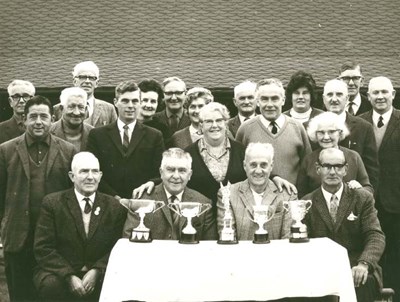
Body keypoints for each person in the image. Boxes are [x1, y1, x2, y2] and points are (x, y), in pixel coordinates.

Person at [134, 103, 296, 215]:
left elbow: (256, 169)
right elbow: (176, 175)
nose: (214, 125)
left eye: (219, 120)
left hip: (236, 220)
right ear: (200, 125)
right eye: (208, 121)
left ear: (225, 123)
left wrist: (275, 177)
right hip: (200, 220)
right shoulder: (188, 153)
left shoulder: (241, 151)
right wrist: (153, 182)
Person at [0, 96, 76, 301]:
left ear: (52, 118)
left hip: (55, 238)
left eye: (44, 116)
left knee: (52, 292)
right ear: (24, 119)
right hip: (18, 237)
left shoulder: (68, 150)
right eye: (33, 116)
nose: (38, 121)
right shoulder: (6, 150)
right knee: (19, 294)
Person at [33, 152, 126, 301]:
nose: (90, 177)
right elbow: (43, 247)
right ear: (71, 176)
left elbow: (118, 247)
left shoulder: (114, 206)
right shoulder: (53, 203)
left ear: (100, 175)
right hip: (60, 272)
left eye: (95, 171)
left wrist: (97, 270)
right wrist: (68, 276)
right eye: (84, 171)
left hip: (100, 271)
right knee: (51, 285)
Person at [303, 148, 385, 302]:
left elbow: (375, 235)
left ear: (345, 169)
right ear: (318, 169)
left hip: (356, 266)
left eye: (338, 166)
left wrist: (364, 264)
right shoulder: (308, 202)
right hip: (322, 268)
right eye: (327, 166)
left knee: (363, 282)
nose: (332, 172)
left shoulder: (362, 198)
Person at [86, 80, 165, 199]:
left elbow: (160, 171)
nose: (130, 106)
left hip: (142, 200)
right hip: (107, 201)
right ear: (115, 102)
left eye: (135, 101)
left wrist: (151, 184)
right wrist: (114, 197)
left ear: (139, 103)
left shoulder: (154, 136)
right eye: (125, 101)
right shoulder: (97, 135)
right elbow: (92, 171)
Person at [359, 76, 400, 301]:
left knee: (395, 254)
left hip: (396, 203)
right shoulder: (360, 122)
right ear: (368, 96)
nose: (380, 96)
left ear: (393, 94)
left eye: (385, 92)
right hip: (368, 201)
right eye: (375, 93)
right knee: (371, 251)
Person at [123, 148, 217, 240]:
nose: (176, 176)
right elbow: (128, 239)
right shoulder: (142, 200)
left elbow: (209, 245)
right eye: (171, 170)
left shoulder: (203, 202)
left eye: (182, 170)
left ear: (190, 175)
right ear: (161, 172)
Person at [236, 78, 312, 184]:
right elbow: (239, 168)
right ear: (257, 101)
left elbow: (308, 166)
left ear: (283, 100)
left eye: (275, 99)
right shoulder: (245, 129)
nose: (270, 104)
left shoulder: (297, 128)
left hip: (291, 197)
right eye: (264, 99)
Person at [217, 143, 293, 240]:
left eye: (263, 165)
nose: (258, 171)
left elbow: (287, 240)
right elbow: (228, 239)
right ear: (245, 166)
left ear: (271, 166)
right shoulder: (227, 194)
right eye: (253, 165)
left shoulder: (287, 195)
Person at [297, 111, 373, 198]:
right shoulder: (309, 160)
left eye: (331, 132)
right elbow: (301, 194)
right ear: (315, 134)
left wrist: (360, 189)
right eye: (321, 132)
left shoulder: (353, 157)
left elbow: (368, 189)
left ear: (340, 133)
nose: (326, 137)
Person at [322, 79, 379, 192]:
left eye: (339, 94)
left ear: (347, 98)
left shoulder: (364, 127)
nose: (334, 99)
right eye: (329, 95)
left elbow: (372, 171)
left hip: (354, 198)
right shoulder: (312, 127)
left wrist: (366, 197)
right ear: (323, 99)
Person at [54, 61, 117, 127]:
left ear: (97, 83)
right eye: (83, 77)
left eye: (91, 78)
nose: (87, 81)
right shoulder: (59, 108)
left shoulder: (109, 109)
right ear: (74, 81)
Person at [0, 80, 35, 144]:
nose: (21, 101)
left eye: (25, 96)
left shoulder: (42, 127)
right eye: (16, 97)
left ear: (32, 100)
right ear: (10, 101)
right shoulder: (1, 130)